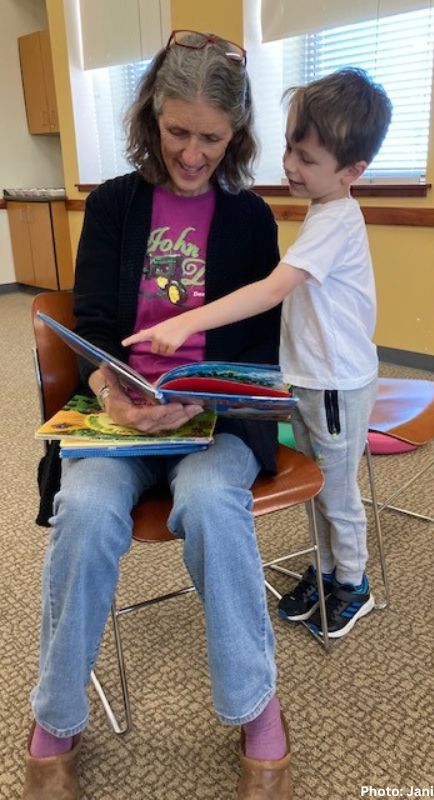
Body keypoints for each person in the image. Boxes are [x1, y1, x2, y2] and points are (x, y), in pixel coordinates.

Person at [23, 31, 293, 800]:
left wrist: (196, 401)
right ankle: (56, 719)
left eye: (212, 138)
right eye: (178, 132)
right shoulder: (113, 204)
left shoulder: (250, 219)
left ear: (235, 134)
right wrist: (113, 394)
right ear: (151, 116)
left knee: (211, 502)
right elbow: (98, 322)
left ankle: (256, 708)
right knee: (84, 511)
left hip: (216, 419)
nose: (193, 153)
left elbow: (254, 347)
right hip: (121, 412)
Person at [124, 68, 393, 641]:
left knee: (338, 493)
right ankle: (325, 572)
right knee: (321, 484)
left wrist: (189, 319)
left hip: (336, 386)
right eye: (292, 147)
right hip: (312, 378)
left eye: (309, 158)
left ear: (352, 172)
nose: (292, 165)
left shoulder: (336, 219)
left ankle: (354, 583)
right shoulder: (324, 209)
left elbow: (271, 290)